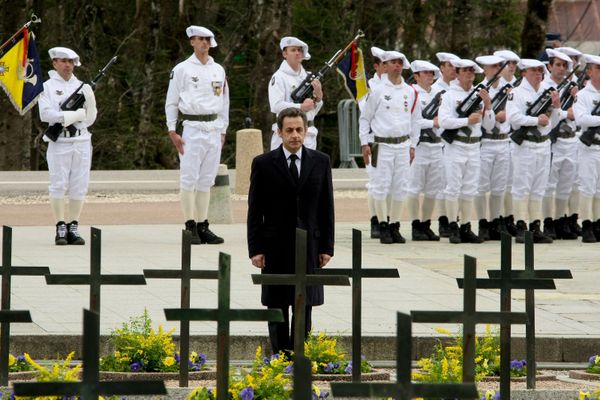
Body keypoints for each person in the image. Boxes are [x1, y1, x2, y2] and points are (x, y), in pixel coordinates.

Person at [247, 107, 334, 356]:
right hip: (275, 246)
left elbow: (326, 206)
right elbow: (255, 210)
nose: (294, 135)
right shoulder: (263, 164)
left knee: (303, 303)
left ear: (306, 131)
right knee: (277, 303)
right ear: (279, 132)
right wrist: (256, 249)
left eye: (299, 130)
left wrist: (327, 247)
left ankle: (300, 354)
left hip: (309, 246)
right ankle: (279, 356)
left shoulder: (320, 161)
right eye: (289, 130)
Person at [165, 25, 228, 245]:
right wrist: (172, 129)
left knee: (206, 181)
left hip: (213, 127)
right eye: (200, 39)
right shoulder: (182, 69)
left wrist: (223, 129)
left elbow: (224, 102)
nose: (204, 43)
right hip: (192, 127)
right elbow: (172, 101)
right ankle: (189, 224)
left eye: (207, 39)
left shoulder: (218, 69)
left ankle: (203, 225)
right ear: (192, 41)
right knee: (189, 178)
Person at [359, 50, 420, 244]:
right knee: (380, 185)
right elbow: (365, 117)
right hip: (381, 144)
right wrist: (364, 142)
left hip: (402, 144)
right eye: (393, 62)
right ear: (385, 64)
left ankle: (395, 226)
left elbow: (415, 120)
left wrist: (413, 145)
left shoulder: (410, 91)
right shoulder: (376, 90)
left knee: (400, 186)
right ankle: (382, 225)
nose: (397, 66)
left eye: (400, 62)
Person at [39, 47, 97, 246]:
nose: (67, 65)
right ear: (54, 63)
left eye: (71, 61)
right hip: (60, 141)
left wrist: (90, 101)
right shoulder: (46, 86)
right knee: (58, 183)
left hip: (81, 140)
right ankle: (60, 226)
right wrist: (71, 116)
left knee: (79, 185)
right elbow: (45, 114)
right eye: (63, 61)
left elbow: (90, 119)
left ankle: (74, 225)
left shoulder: (82, 86)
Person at [438, 58, 494, 244]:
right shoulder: (448, 95)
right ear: (458, 73)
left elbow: (489, 124)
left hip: (474, 145)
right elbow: (444, 122)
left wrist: (488, 105)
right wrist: (465, 121)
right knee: (453, 187)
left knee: (470, 188)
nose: (469, 74)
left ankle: (466, 227)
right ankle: (453, 226)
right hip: (456, 146)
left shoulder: (479, 95)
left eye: (472, 71)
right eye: (465, 70)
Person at [506, 58, 561, 243]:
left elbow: (553, 123)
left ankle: (536, 226)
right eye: (534, 70)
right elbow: (513, 118)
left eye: (540, 70)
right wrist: (536, 120)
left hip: (543, 145)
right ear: (523, 73)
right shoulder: (516, 93)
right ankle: (521, 226)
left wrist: (556, 106)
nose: (538, 73)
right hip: (526, 146)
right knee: (522, 187)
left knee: (539, 188)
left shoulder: (547, 93)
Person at [541, 49, 579, 240]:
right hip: (553, 141)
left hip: (570, 140)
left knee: (566, 184)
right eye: (558, 64)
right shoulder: (544, 87)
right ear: (550, 66)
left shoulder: (571, 87)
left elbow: (576, 113)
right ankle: (547, 222)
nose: (562, 68)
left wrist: (564, 111)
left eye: (565, 65)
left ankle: (560, 221)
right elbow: (548, 115)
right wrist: (564, 112)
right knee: (549, 184)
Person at [473, 55, 511, 241]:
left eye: (498, 66)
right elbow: (476, 117)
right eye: (492, 67)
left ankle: (496, 222)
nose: (496, 70)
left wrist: (508, 116)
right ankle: (482, 223)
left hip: (503, 141)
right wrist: (495, 116)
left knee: (499, 186)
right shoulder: (478, 90)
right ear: (485, 69)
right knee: (481, 186)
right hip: (486, 142)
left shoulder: (510, 90)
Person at [406, 60, 443, 241]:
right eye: (426, 73)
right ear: (416, 76)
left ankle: (426, 223)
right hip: (420, 146)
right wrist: (432, 122)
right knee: (414, 188)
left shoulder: (439, 94)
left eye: (432, 74)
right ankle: (415, 225)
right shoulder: (412, 93)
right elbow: (411, 121)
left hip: (436, 145)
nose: (430, 77)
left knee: (432, 189)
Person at [269, 36, 323, 151]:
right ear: (285, 54)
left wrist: (318, 98)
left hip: (308, 133)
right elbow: (276, 106)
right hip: (286, 134)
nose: (297, 53)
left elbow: (314, 110)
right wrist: (300, 107)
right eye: (293, 50)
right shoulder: (279, 77)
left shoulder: (309, 77)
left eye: (299, 50)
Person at [493, 49, 522, 237]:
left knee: (511, 183)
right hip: (498, 138)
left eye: (514, 63)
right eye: (508, 63)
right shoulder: (496, 85)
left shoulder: (517, 86)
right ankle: (497, 220)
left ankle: (509, 217)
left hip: (514, 139)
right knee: (499, 184)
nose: (512, 66)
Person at [432, 52, 460, 238]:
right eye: (449, 66)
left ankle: (454, 219)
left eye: (455, 67)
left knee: (456, 184)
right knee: (443, 184)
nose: (453, 70)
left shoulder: (460, 88)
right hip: (437, 142)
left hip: (456, 141)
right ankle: (444, 220)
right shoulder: (435, 89)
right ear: (441, 68)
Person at [573, 54, 600, 242]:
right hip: (589, 147)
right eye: (598, 68)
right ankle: (587, 225)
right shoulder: (582, 95)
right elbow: (581, 118)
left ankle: (598, 222)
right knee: (587, 186)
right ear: (589, 72)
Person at [363, 46, 387, 240]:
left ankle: (386, 218)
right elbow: (366, 113)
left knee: (390, 183)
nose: (388, 69)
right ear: (377, 66)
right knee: (375, 182)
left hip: (389, 141)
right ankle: (375, 220)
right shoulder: (369, 86)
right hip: (373, 139)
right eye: (384, 65)